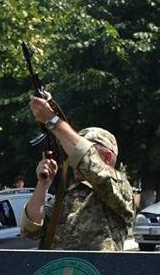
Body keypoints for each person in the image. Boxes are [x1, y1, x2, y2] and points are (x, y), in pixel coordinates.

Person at [21, 95, 134, 249]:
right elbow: (30, 231)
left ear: (107, 157)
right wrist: (43, 184)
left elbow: (90, 162)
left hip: (96, 266)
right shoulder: (67, 193)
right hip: (59, 265)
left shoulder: (120, 187)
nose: (71, 159)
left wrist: (53, 120)